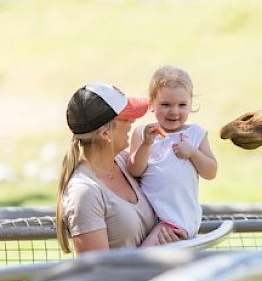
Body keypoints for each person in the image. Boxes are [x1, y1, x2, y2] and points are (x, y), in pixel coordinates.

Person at [56, 83, 185, 255]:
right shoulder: (84, 193)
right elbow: (98, 273)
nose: (133, 121)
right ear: (105, 134)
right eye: (126, 117)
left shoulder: (127, 163)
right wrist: (151, 249)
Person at [128, 65, 218, 239]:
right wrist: (146, 144)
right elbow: (135, 170)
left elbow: (211, 172)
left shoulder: (195, 134)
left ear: (191, 104)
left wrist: (193, 153)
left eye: (182, 105)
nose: (174, 111)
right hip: (148, 217)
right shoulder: (143, 133)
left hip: (177, 219)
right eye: (166, 104)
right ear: (151, 104)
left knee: (142, 259)